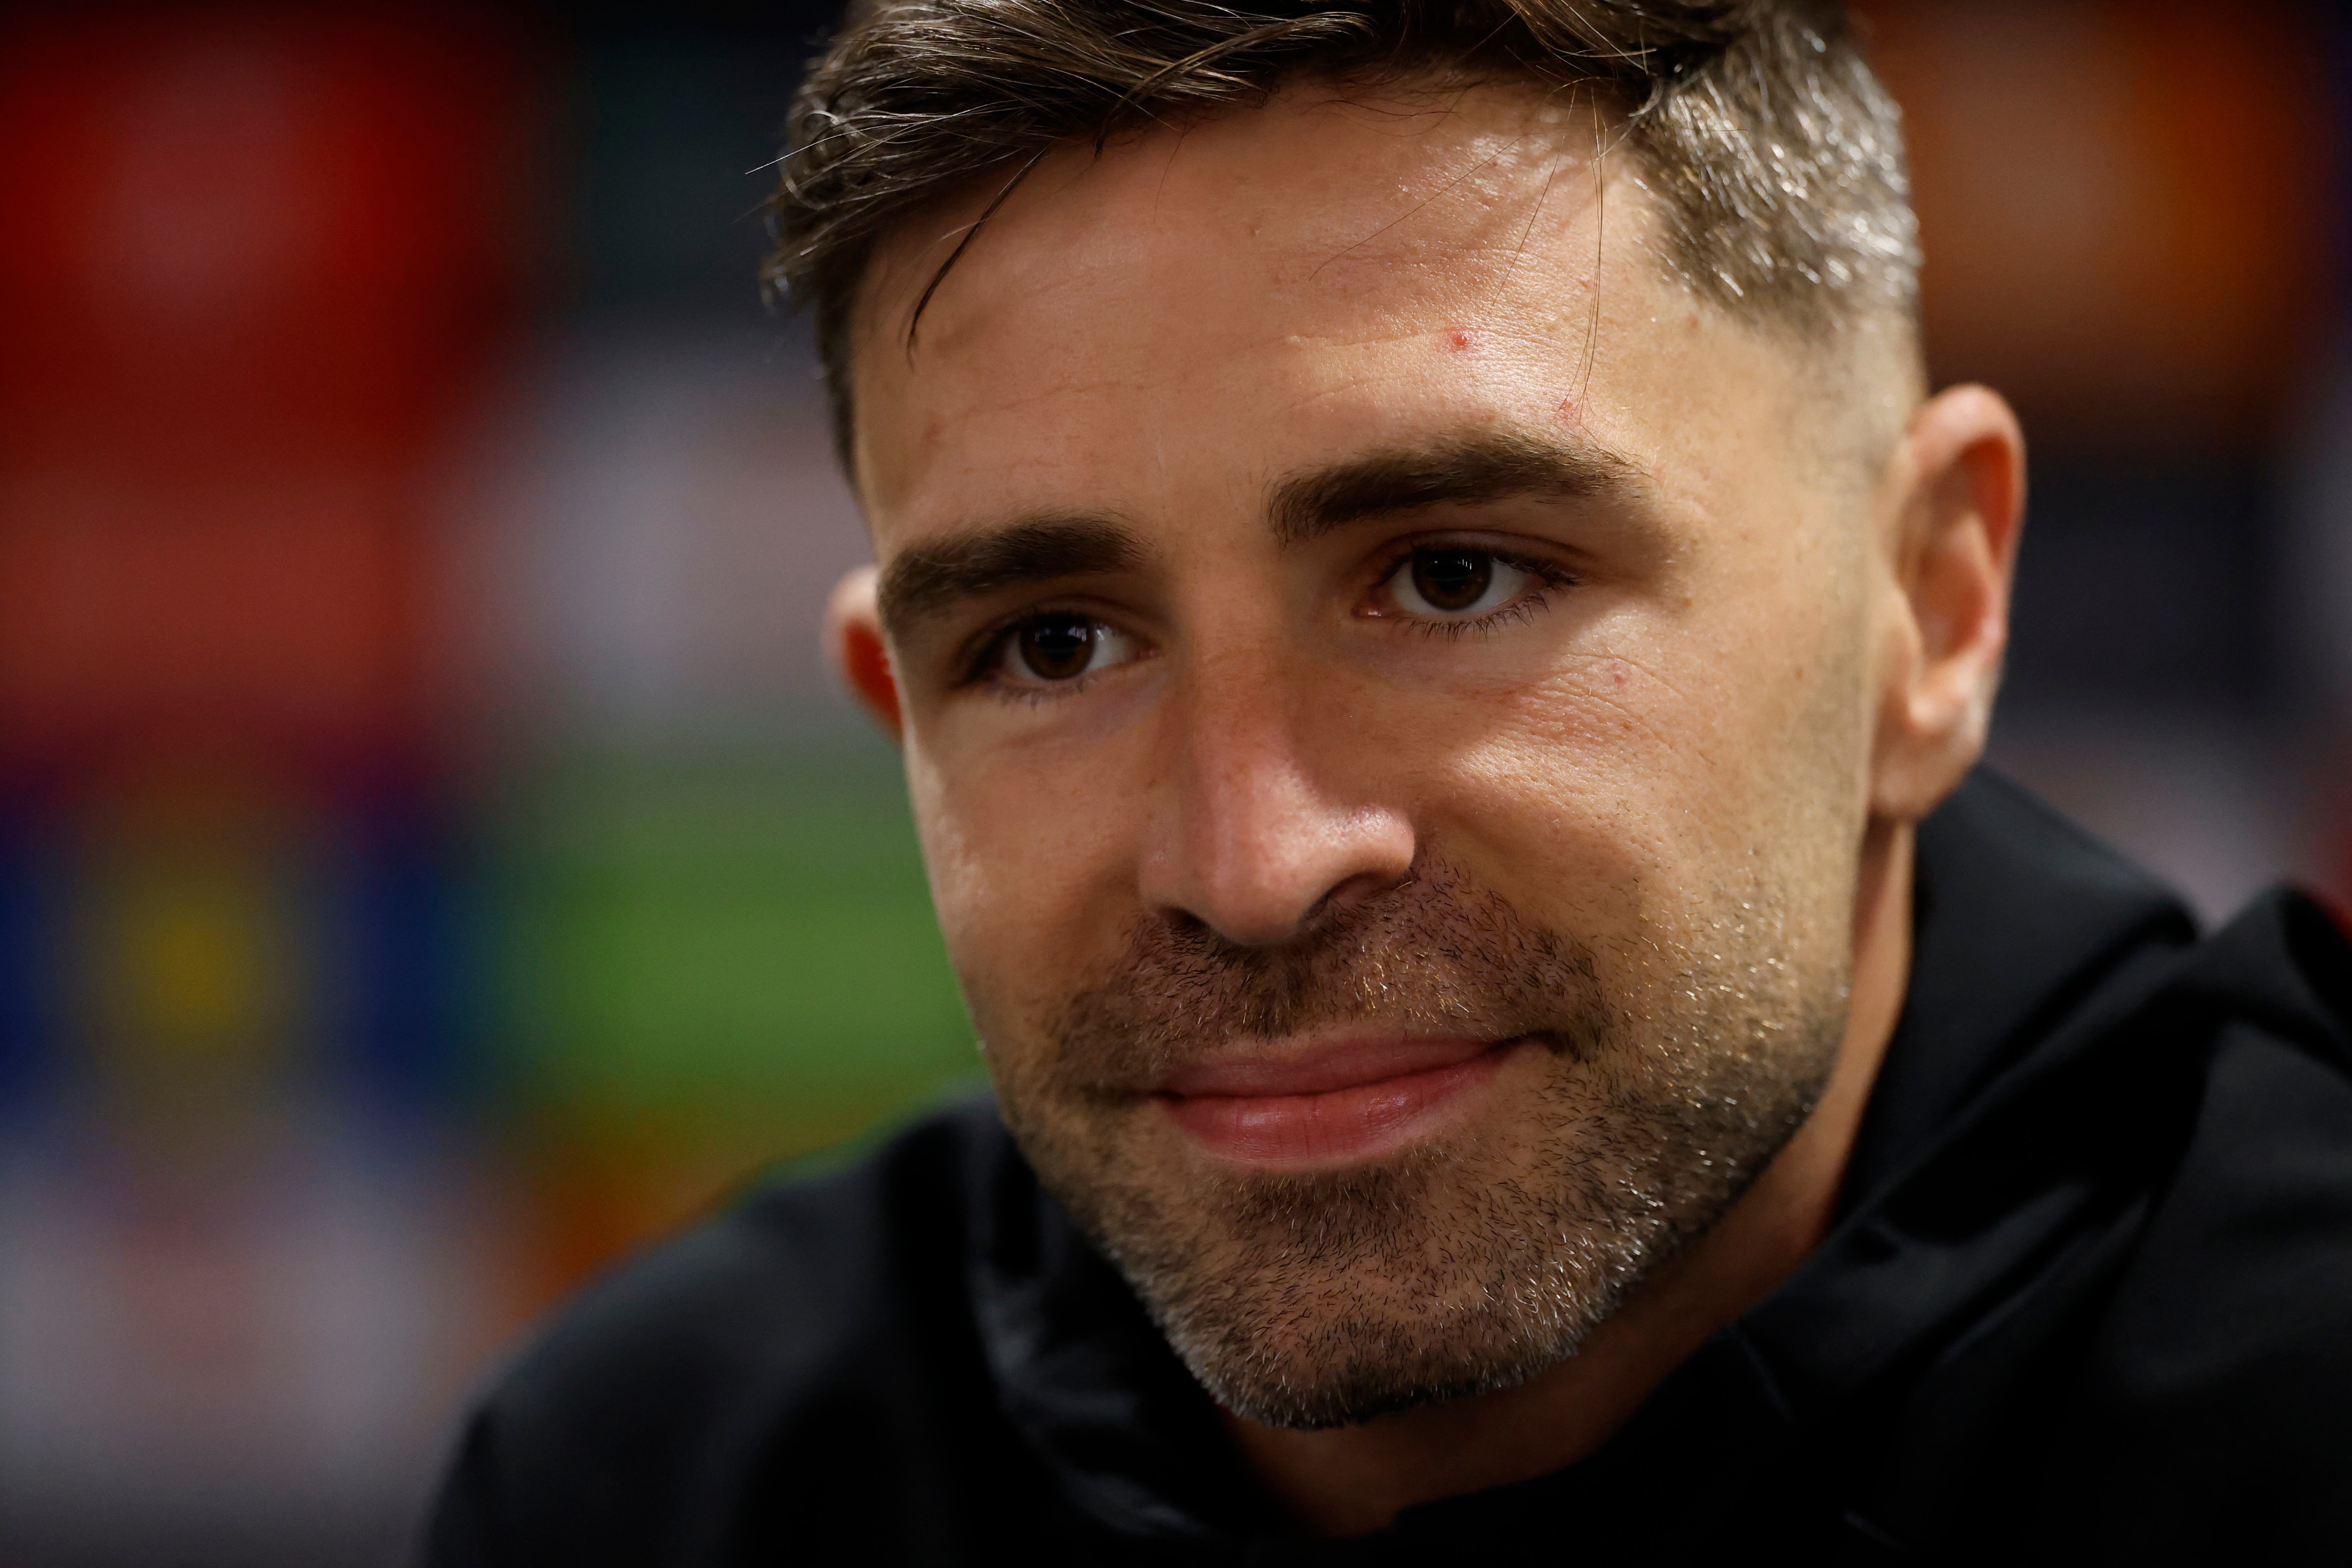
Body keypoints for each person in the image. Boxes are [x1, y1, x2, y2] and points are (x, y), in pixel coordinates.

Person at [422, 2, 2352, 1560]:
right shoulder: (660, 1480)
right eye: (1052, 644)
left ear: (1933, 608)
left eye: (1455, 577)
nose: (1251, 863)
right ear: (894, 715)